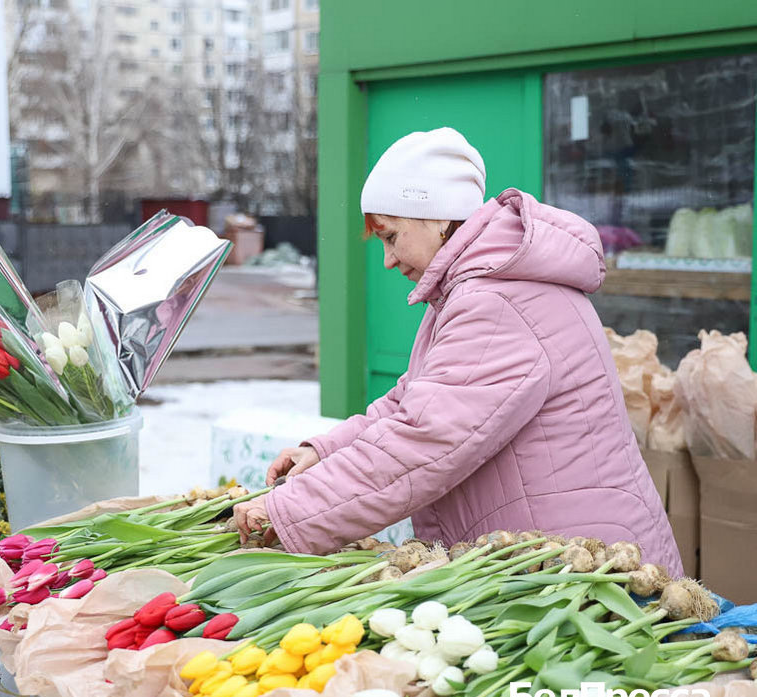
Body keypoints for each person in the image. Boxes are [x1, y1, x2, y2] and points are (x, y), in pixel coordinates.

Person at [233, 127, 684, 576]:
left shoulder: (500, 300)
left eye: (391, 237)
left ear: (439, 218)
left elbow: (423, 440)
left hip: (590, 574)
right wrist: (326, 452)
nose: (388, 259)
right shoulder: (475, 289)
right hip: (557, 561)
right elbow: (411, 401)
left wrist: (288, 511)